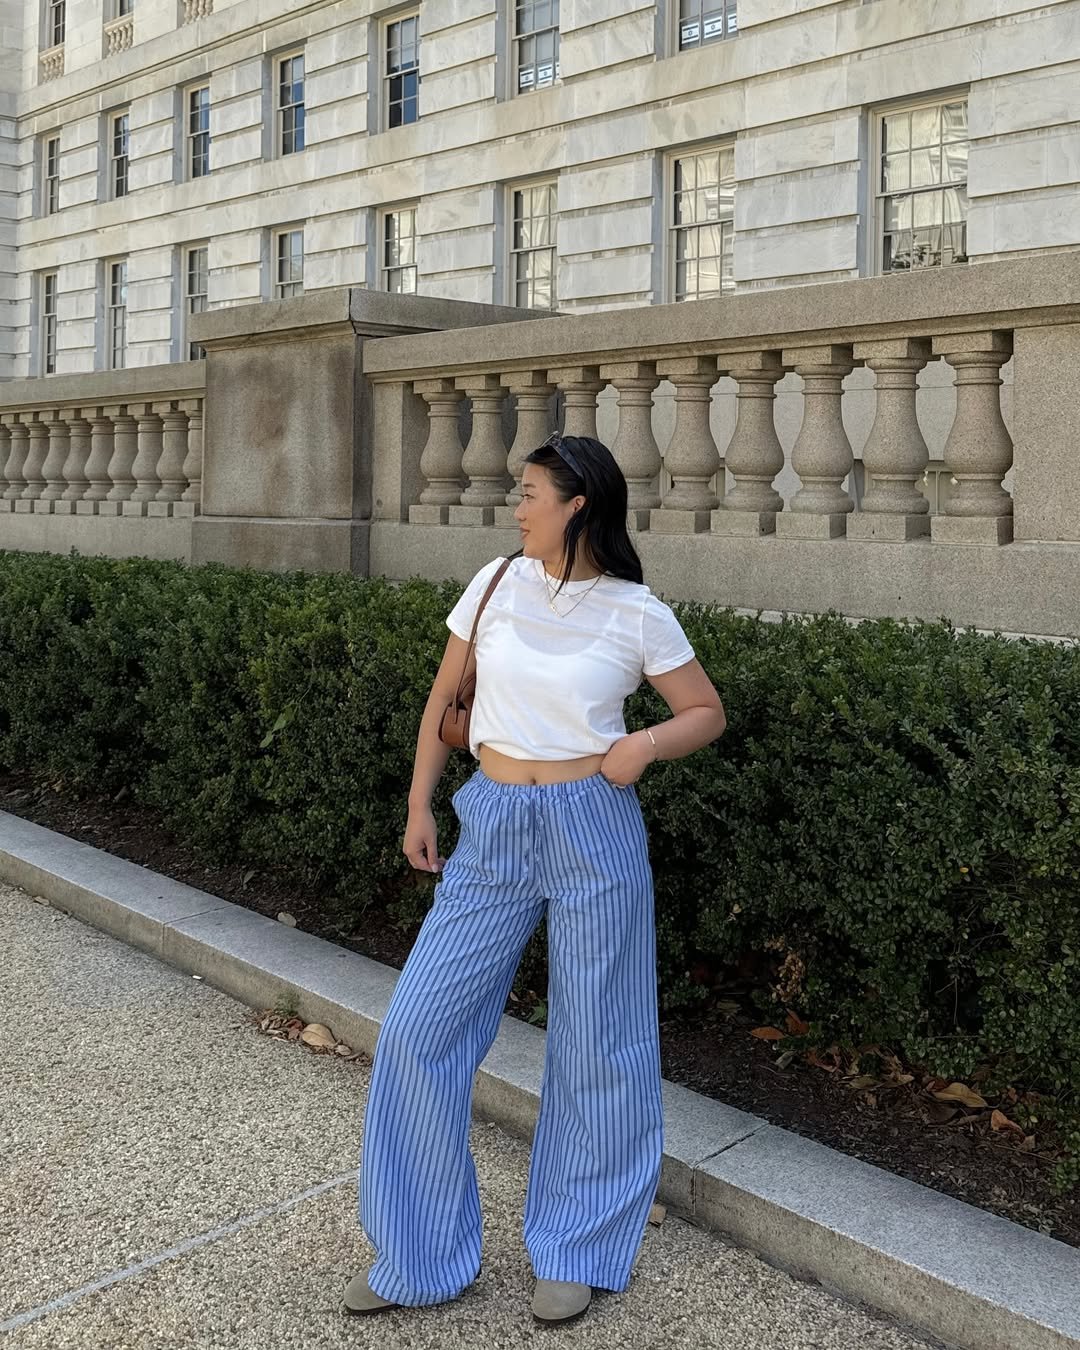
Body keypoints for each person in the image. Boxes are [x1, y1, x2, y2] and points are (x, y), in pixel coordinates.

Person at [345, 433, 727, 1327]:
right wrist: (420, 807)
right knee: (416, 1030)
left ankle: (580, 1246)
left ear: (577, 504)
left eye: (528, 493)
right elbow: (444, 704)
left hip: (592, 823)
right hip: (495, 826)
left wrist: (642, 744)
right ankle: (422, 1254)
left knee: (599, 1041)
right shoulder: (491, 585)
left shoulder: (636, 612)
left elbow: (704, 710)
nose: (515, 508)